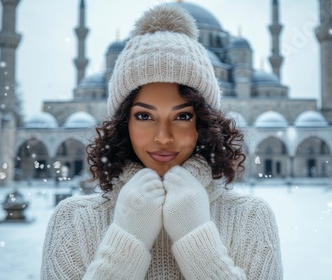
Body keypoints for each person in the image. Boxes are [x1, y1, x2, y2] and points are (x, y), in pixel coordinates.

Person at [41, 4, 283, 279]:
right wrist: (126, 240)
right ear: (122, 123)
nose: (164, 136)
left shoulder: (251, 218)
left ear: (204, 123)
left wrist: (196, 238)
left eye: (182, 117)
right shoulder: (73, 220)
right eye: (144, 115)